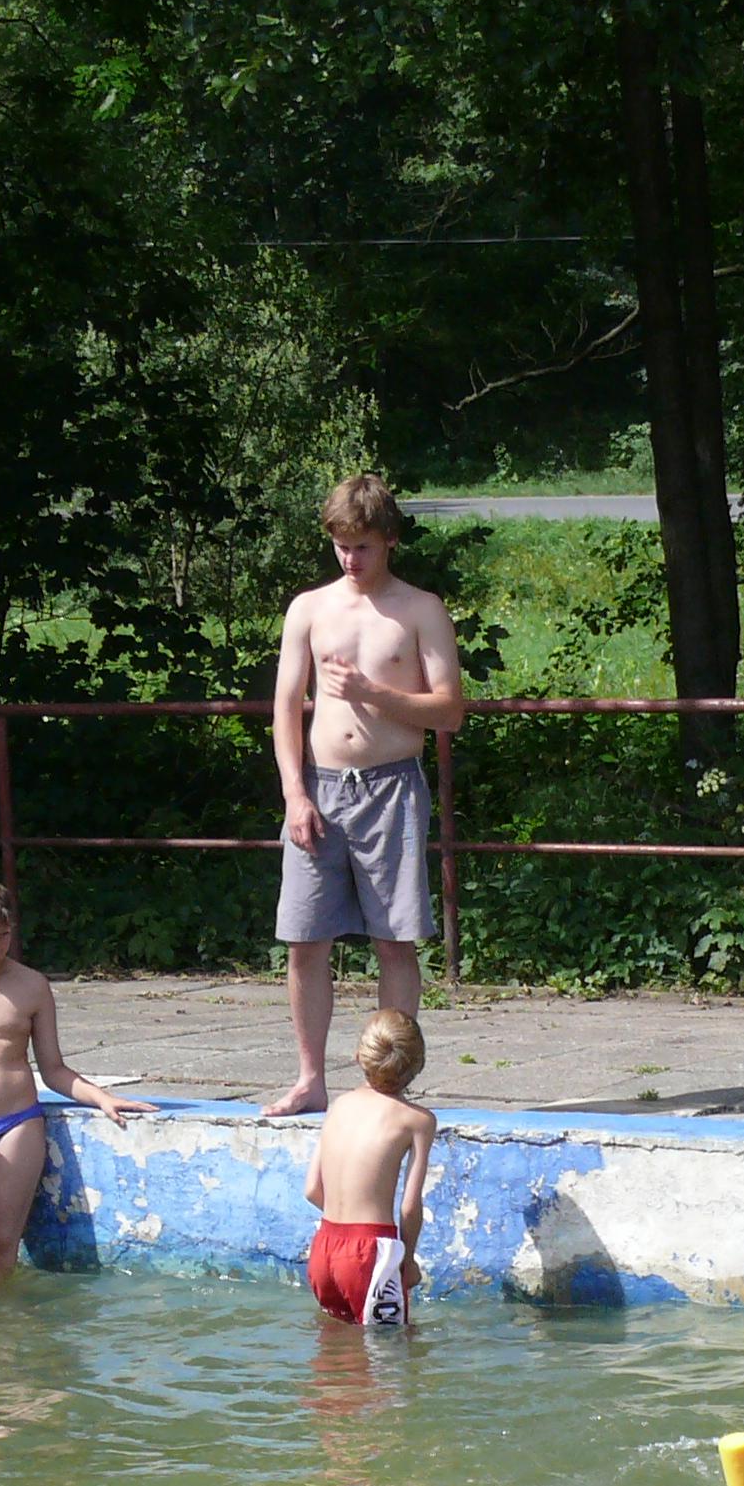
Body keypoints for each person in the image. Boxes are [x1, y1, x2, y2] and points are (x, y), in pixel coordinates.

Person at [263, 475, 464, 1117]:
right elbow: (285, 708)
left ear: (389, 540)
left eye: (363, 546)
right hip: (320, 788)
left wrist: (373, 693)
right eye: (342, 545)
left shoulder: (421, 609)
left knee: (394, 942)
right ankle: (310, 1078)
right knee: (304, 940)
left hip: (392, 788)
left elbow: (450, 711)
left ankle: (390, 1087)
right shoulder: (309, 609)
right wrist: (295, 793)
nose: (351, 558)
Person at [0, 878, 152, 1294]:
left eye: (4, 935)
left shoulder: (32, 985)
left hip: (17, 1124)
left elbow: (53, 1069)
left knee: (0, 1250)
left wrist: (100, 1097)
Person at [304, 1009, 434, 1325]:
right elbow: (409, 1207)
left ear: (358, 1056)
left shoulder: (339, 1106)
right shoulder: (418, 1120)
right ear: (418, 1065)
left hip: (324, 1248)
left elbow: (311, 1190)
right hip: (371, 1253)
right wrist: (407, 1261)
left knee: (334, 1342)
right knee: (391, 1347)